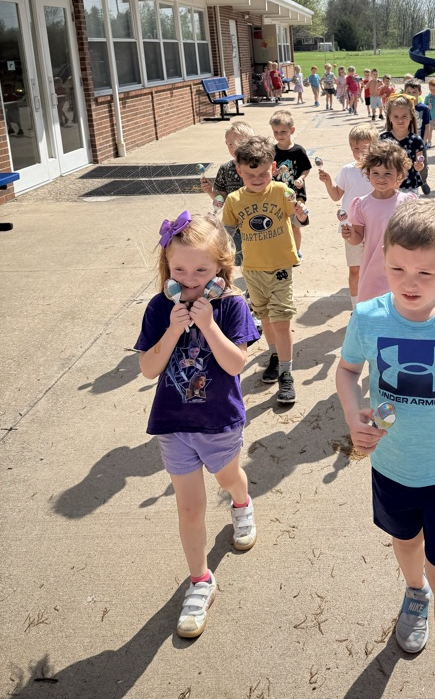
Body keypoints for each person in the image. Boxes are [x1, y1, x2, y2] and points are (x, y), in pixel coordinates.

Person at [337, 201, 435, 699]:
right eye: (397, 268)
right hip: (391, 465)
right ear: (382, 258)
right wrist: (353, 413)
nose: (409, 281)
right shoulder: (367, 316)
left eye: (426, 272)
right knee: (404, 542)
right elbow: (346, 371)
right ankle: (413, 592)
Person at [135, 212, 259, 638]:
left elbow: (236, 363)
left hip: (218, 421)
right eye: (180, 270)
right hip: (173, 424)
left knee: (229, 479)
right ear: (167, 271)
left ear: (221, 270)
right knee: (189, 508)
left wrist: (207, 326)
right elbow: (148, 369)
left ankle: (242, 503)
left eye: (201, 270)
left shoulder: (232, 307)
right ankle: (201, 580)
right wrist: (171, 332)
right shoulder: (158, 308)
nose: (189, 279)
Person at [223, 136, 308, 403]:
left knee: (281, 322)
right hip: (252, 271)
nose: (258, 179)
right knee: (267, 320)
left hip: (280, 268)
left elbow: (299, 221)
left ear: (273, 167)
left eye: (263, 173)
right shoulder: (234, 200)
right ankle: (274, 355)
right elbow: (225, 234)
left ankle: (286, 375)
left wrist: (302, 213)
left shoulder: (282, 191)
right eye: (250, 174)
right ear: (239, 170)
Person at [343, 141, 415, 303]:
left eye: (388, 173)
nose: (381, 178)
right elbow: (357, 239)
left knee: (401, 310)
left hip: (402, 269)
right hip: (373, 270)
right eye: (375, 173)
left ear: (400, 176)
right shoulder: (361, 204)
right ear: (368, 174)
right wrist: (349, 235)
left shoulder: (408, 202)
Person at [318, 123, 379, 309]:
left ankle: (377, 305)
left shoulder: (380, 170)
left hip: (377, 226)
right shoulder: (347, 170)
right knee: (355, 270)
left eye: (365, 148)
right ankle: (356, 308)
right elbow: (336, 195)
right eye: (355, 148)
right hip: (351, 227)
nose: (359, 152)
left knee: (378, 269)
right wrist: (328, 182)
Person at [199, 121, 255, 264]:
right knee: (239, 258)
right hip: (234, 223)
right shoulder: (225, 169)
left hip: (256, 218)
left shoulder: (257, 166)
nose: (234, 147)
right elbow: (221, 198)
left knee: (257, 256)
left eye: (239, 142)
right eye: (230, 144)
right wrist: (211, 191)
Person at [269, 109, 312, 261]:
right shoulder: (272, 151)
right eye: (276, 132)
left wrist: (301, 178)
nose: (279, 135)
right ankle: (281, 251)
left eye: (283, 132)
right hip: (277, 195)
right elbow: (268, 170)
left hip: (296, 193)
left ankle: (296, 250)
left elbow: (306, 168)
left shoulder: (298, 151)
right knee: (279, 223)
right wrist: (271, 175)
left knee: (295, 224)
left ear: (292, 130)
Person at [380, 94, 426, 195]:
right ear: (389, 117)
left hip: (410, 185)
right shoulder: (383, 139)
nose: (400, 120)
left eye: (404, 116)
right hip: (388, 185)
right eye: (395, 116)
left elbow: (420, 160)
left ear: (411, 116)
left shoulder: (416, 140)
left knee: (409, 210)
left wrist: (419, 166)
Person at [404, 78, 432, 195]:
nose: (412, 95)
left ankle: (423, 181)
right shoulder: (402, 108)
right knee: (406, 165)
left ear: (419, 93)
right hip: (406, 143)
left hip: (419, 143)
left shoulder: (424, 109)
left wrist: (423, 142)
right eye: (409, 92)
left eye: (414, 92)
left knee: (423, 166)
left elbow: (427, 126)